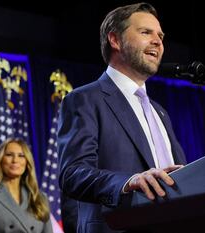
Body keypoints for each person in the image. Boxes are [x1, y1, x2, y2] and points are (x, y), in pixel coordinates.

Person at [57, 2, 187, 233]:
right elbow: (73, 174)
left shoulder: (160, 112)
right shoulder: (85, 99)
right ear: (115, 40)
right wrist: (128, 182)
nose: (158, 41)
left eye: (160, 35)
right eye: (146, 32)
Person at [0, 138, 53, 233]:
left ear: (27, 162)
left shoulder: (40, 197)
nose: (15, 160)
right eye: (9, 155)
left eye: (21, 156)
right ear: (0, 160)